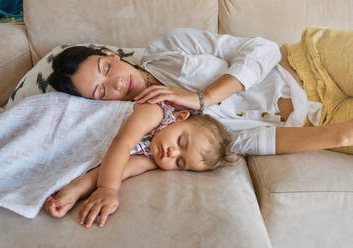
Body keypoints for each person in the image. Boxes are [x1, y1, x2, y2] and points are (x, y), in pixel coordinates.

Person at [47, 27, 353, 156]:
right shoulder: (155, 122)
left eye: (105, 69)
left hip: (314, 60)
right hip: (319, 119)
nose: (115, 84)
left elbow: (264, 49)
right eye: (101, 93)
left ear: (109, 54)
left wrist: (201, 97)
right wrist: (339, 136)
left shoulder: (169, 47)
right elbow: (248, 141)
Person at [44, 101, 237, 228]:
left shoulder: (153, 160)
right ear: (178, 118)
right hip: (71, 117)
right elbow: (122, 143)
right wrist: (108, 188)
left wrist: (75, 191)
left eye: (179, 162)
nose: (172, 153)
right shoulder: (155, 113)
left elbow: (119, 169)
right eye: (180, 142)